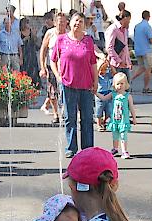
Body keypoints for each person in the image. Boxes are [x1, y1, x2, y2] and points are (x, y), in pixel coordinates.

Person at [50, 12, 98, 158]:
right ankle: (71, 147)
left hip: (86, 85)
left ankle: (88, 148)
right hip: (68, 84)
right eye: (76, 21)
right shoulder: (61, 40)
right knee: (69, 117)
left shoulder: (88, 41)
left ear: (84, 25)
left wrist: (95, 81)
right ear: (70, 22)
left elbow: (93, 63)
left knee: (87, 118)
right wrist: (58, 76)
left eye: (81, 22)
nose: (78, 24)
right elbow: (53, 60)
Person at [96, 72, 135, 159]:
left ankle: (124, 151)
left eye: (122, 83)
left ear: (126, 84)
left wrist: (134, 118)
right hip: (115, 120)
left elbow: (131, 108)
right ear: (114, 84)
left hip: (123, 120)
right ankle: (115, 148)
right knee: (115, 135)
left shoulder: (127, 96)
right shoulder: (113, 94)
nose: (120, 86)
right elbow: (104, 98)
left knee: (123, 135)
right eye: (118, 84)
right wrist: (96, 93)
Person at [39, 12, 66, 124]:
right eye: (59, 22)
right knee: (52, 91)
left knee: (65, 92)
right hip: (52, 66)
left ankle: (65, 112)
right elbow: (43, 50)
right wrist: (43, 67)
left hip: (65, 67)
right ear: (55, 23)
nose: (62, 25)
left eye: (64, 22)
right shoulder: (50, 33)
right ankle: (56, 114)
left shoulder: (69, 34)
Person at [132, 10, 152, 93]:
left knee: (141, 67)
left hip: (138, 49)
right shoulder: (147, 26)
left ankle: (130, 79)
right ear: (148, 16)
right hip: (146, 50)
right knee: (148, 69)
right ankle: (146, 87)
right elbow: (151, 39)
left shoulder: (137, 26)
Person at [105, 10, 131, 79]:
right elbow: (109, 48)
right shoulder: (113, 29)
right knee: (116, 87)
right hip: (115, 65)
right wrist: (119, 61)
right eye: (128, 20)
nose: (129, 22)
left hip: (125, 64)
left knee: (126, 87)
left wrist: (128, 61)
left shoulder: (125, 30)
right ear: (125, 18)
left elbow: (125, 46)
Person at [19, 17, 39, 88]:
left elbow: (36, 42)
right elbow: (19, 43)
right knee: (25, 68)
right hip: (24, 52)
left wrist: (34, 34)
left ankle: (34, 84)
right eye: (27, 23)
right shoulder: (20, 32)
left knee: (33, 68)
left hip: (31, 52)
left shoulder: (31, 32)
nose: (28, 24)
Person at [94, 56, 112, 132]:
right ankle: (99, 124)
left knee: (109, 112)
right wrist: (100, 65)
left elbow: (114, 73)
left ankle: (104, 122)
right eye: (101, 70)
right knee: (99, 111)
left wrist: (109, 64)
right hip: (99, 95)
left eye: (104, 70)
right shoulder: (98, 77)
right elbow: (97, 72)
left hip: (108, 94)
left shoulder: (108, 76)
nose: (102, 72)